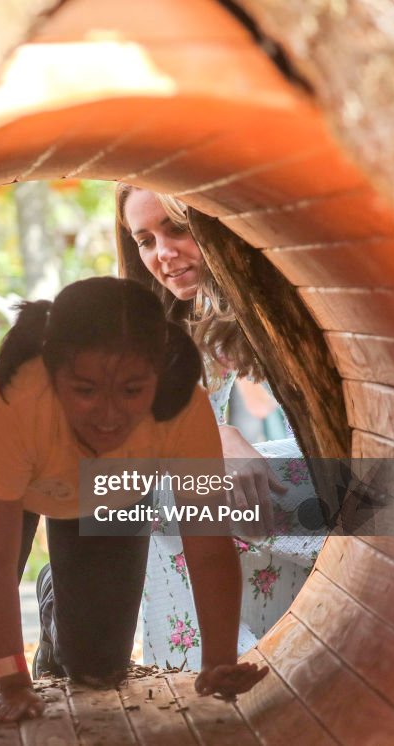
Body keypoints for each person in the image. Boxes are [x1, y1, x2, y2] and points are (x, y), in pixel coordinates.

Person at [0, 276, 268, 723]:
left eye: (131, 391)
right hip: (2, 468)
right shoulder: (13, 398)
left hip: (111, 484)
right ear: (52, 371)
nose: (109, 415)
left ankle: (57, 598)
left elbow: (210, 548)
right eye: (85, 390)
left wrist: (219, 661)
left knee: (99, 667)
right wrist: (12, 683)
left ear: (159, 375)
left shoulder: (183, 404)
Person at [115, 184, 325, 670]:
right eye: (145, 240)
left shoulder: (287, 307)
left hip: (298, 512)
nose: (164, 254)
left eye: (177, 228)